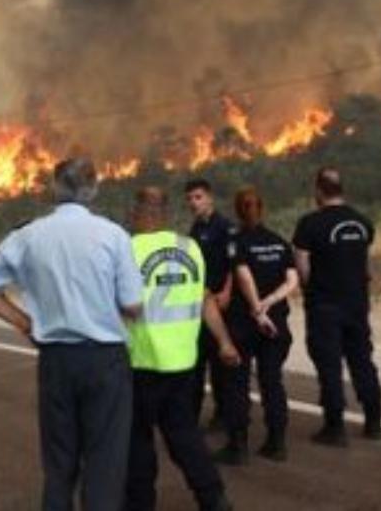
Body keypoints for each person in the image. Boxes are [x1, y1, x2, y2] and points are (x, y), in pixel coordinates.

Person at [0, 158, 143, 511]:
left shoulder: (29, 235)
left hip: (56, 361)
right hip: (105, 360)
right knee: (104, 462)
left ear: (54, 188)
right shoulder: (113, 235)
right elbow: (133, 305)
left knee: (59, 464)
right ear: (93, 190)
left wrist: (23, 322)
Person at [124, 187, 236, 511]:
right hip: (183, 363)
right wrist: (224, 341)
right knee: (185, 436)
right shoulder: (190, 247)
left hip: (141, 363)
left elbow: (122, 306)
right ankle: (213, 497)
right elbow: (205, 299)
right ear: (166, 214)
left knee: (137, 439)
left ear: (138, 213)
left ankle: (140, 503)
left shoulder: (127, 250)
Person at [293, 167, 381, 446]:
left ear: (319, 191)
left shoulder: (309, 224)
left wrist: (311, 290)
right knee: (362, 360)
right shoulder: (362, 223)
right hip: (356, 304)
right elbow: (363, 262)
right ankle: (374, 422)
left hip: (324, 305)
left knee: (329, 365)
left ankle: (335, 427)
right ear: (342, 189)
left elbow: (302, 267)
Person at [217, 187, 300, 465]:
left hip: (244, 323)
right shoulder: (279, 242)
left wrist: (256, 310)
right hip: (276, 323)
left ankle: (237, 445)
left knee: (236, 382)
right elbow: (292, 281)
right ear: (262, 209)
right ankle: (277, 443)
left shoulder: (235, 241)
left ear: (238, 211)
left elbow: (243, 277)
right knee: (272, 381)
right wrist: (270, 303)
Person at [184, 179, 235, 427]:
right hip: (200, 304)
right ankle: (191, 415)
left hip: (220, 303)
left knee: (220, 366)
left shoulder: (225, 227)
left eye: (198, 197)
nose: (194, 203)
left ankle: (223, 414)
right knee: (196, 364)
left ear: (210, 198)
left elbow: (235, 263)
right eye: (190, 199)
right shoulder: (194, 230)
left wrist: (227, 291)